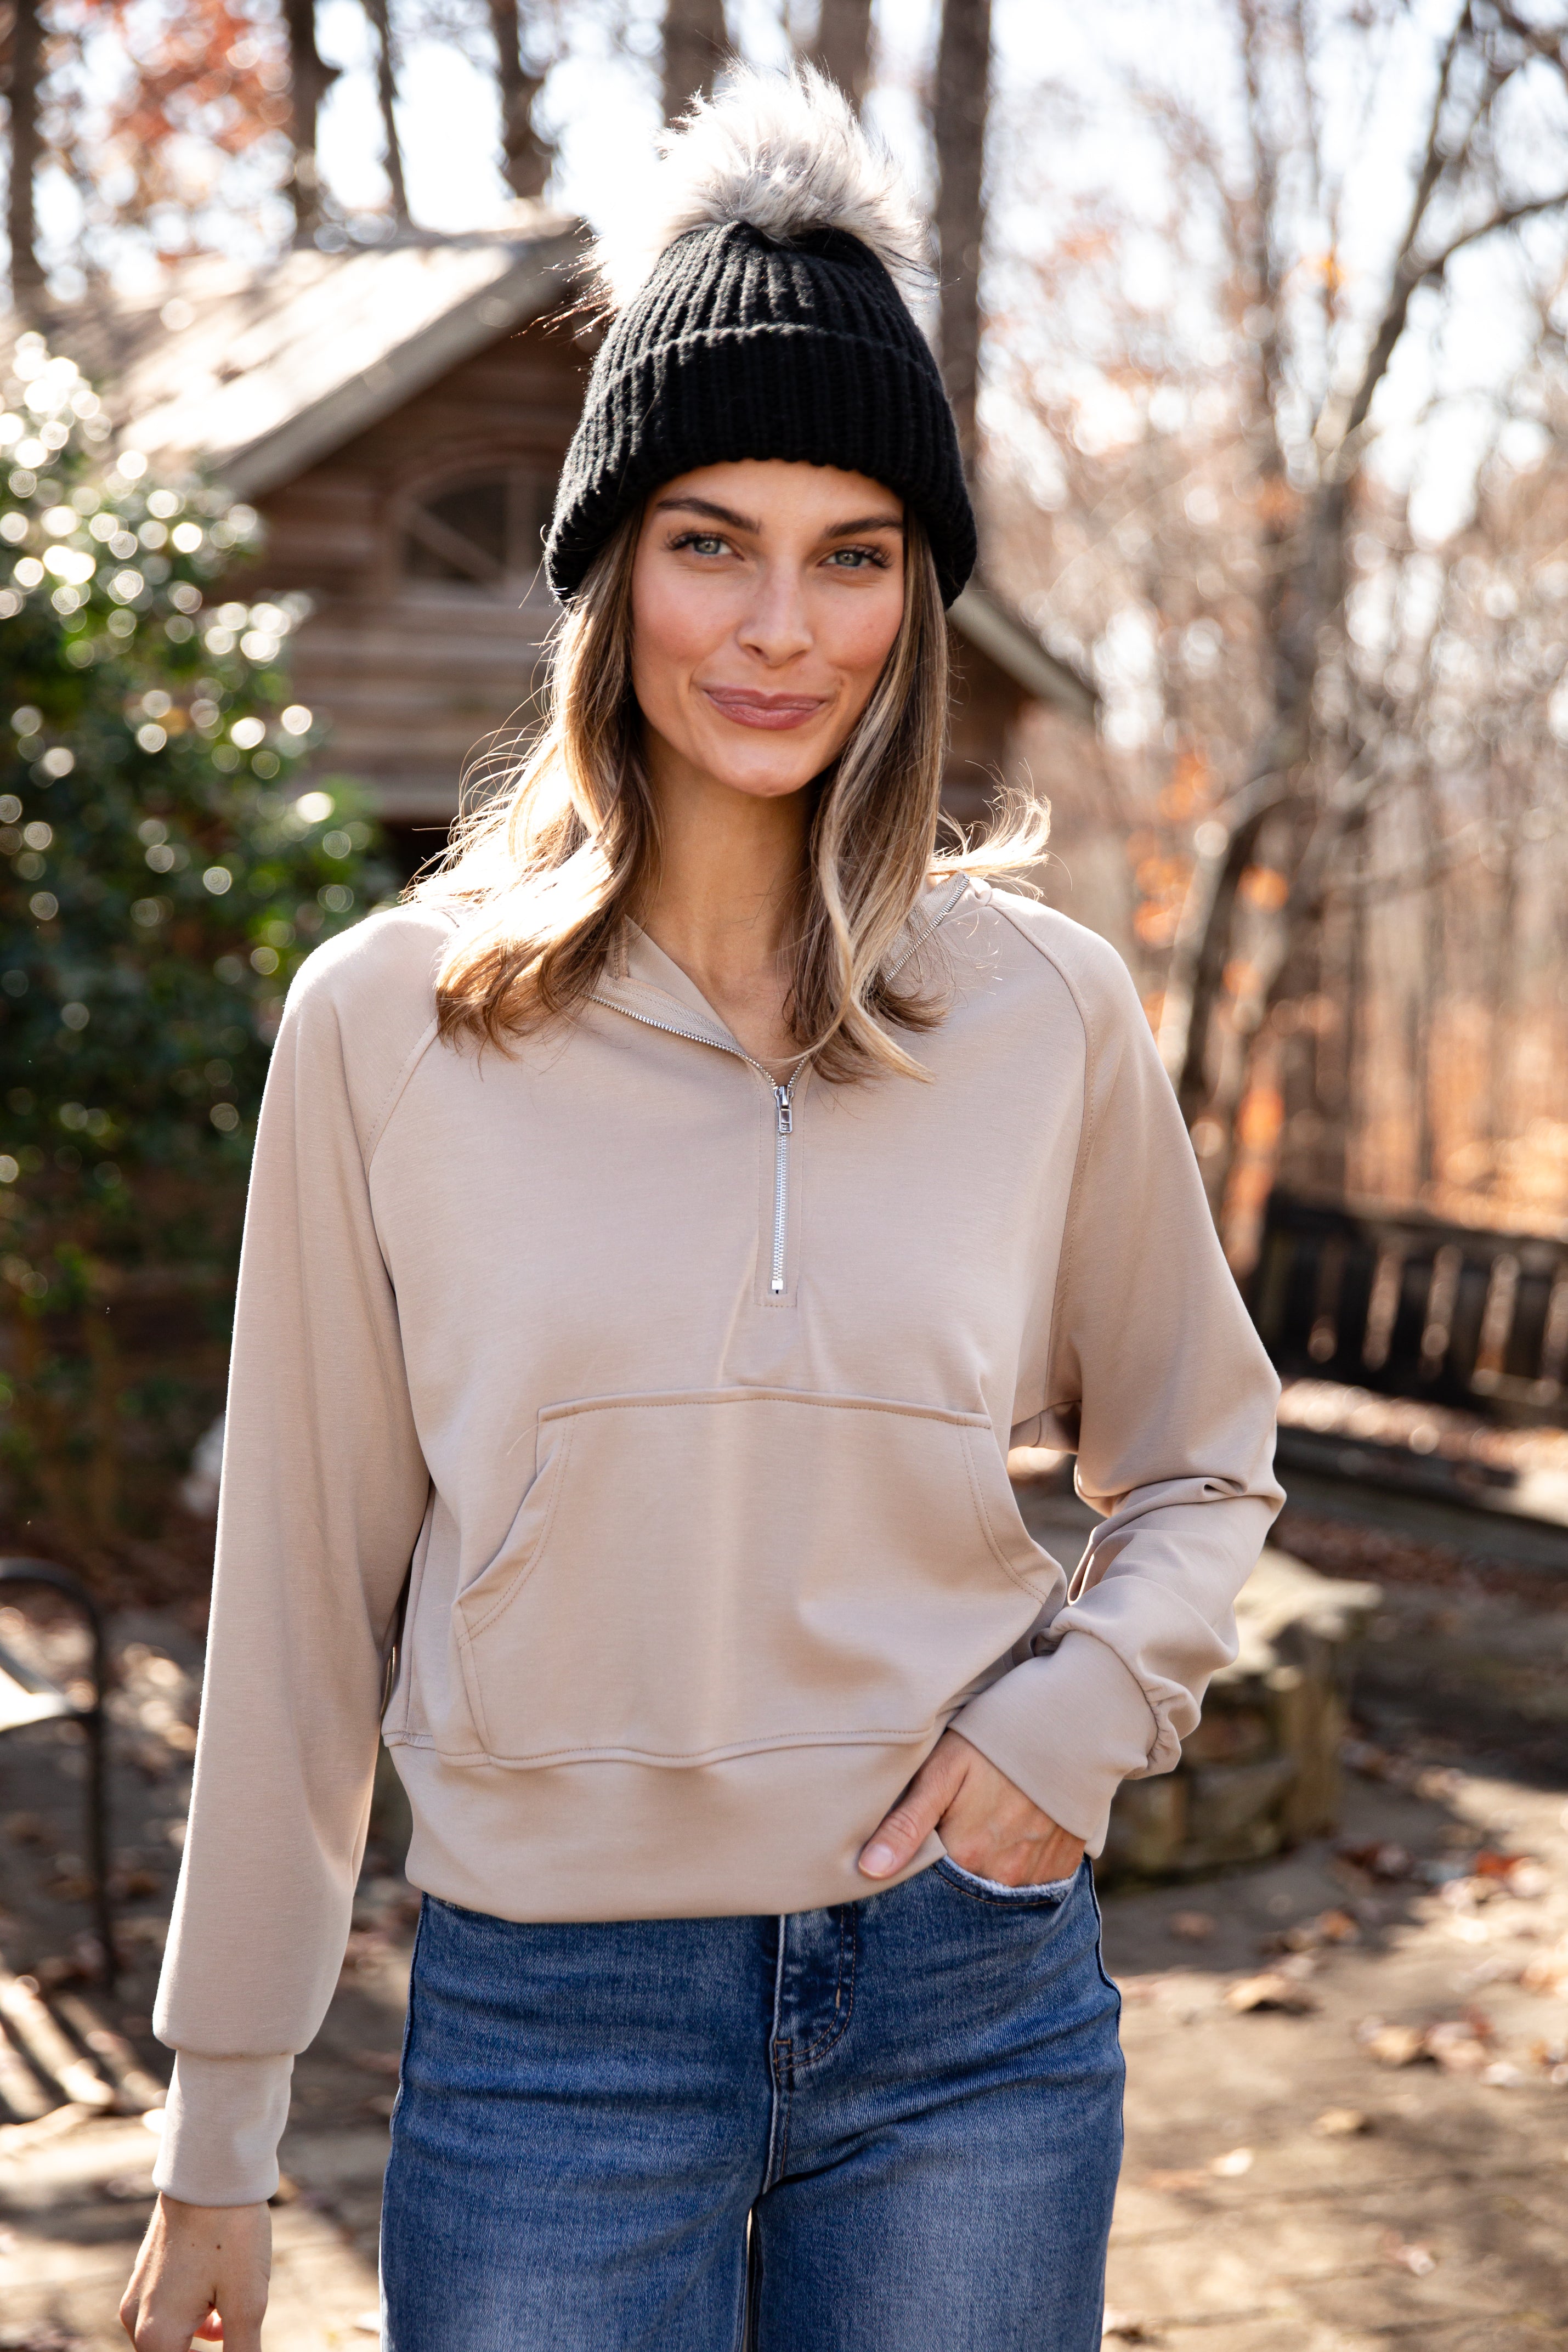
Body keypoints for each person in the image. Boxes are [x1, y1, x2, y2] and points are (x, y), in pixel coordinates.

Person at [121, 66, 1282, 2352]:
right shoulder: (387, 1024)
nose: (780, 626)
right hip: (551, 2040)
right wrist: (216, 2133)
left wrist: (1061, 1749)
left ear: (919, 600)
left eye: (854, 550)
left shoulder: (1041, 1012)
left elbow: (1205, 1457)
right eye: (709, 538)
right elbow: (295, 1618)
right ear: (607, 569)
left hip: (971, 2018)